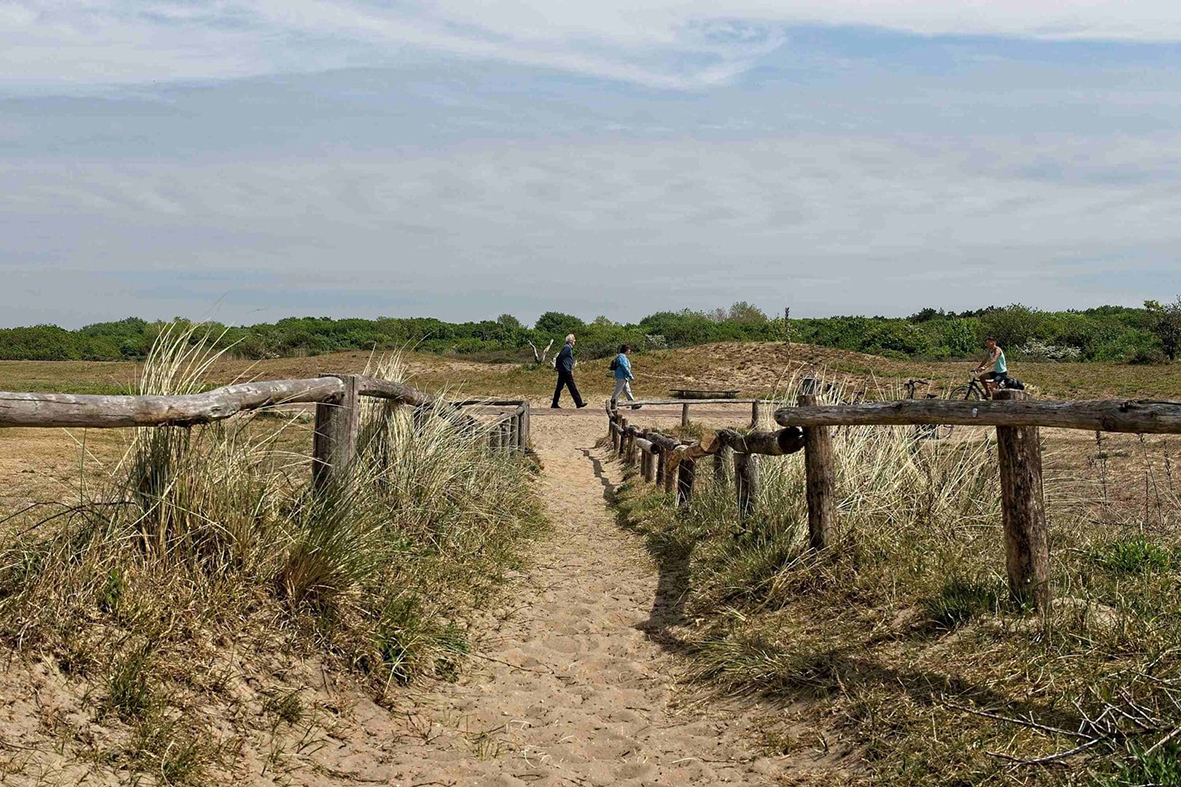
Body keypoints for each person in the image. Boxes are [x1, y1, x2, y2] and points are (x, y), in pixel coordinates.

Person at [551, 334, 586, 409]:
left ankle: (554, 403)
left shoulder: (568, 347)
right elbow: (560, 357)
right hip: (565, 370)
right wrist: (558, 366)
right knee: (572, 386)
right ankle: (579, 403)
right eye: (574, 339)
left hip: (564, 370)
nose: (575, 341)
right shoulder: (567, 348)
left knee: (560, 387)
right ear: (570, 340)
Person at [610, 344, 641, 409]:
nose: (629, 351)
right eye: (629, 350)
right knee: (618, 390)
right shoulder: (622, 357)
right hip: (621, 376)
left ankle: (633, 404)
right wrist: (630, 375)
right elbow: (624, 367)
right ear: (626, 350)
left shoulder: (622, 356)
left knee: (627, 390)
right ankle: (613, 403)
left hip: (623, 376)